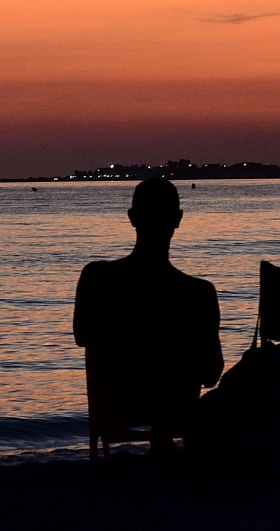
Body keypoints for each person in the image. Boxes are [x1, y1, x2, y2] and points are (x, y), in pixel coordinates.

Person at [73, 178, 223, 454]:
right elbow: (211, 374)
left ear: (132, 218)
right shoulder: (198, 293)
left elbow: (81, 338)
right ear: (178, 220)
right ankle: (164, 442)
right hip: (175, 409)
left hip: (113, 407)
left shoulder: (96, 278)